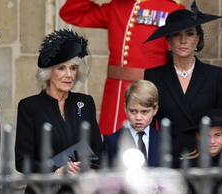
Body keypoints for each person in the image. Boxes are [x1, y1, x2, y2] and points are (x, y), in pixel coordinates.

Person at [59, 0, 184, 136]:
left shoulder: (170, 9)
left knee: (148, 147)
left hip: (149, 93)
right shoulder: (117, 6)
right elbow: (70, 13)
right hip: (116, 98)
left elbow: (179, 59)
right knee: (111, 148)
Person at [144, 1, 222, 168]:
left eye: (189, 34)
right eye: (176, 34)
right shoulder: (153, 75)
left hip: (206, 162)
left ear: (198, 39)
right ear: (168, 40)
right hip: (168, 160)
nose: (183, 40)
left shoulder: (215, 75)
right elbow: (148, 126)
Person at [15, 29, 103, 175]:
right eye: (61, 68)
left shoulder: (85, 102)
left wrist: (88, 167)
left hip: (79, 192)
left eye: (73, 68)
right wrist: (57, 171)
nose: (69, 75)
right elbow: (22, 162)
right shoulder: (29, 106)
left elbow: (99, 152)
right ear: (49, 72)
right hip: (44, 193)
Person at [181, 109, 222, 194]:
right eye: (206, 136)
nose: (212, 141)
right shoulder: (187, 164)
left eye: (217, 135)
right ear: (199, 136)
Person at [103, 80, 160, 167]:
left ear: (155, 110)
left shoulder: (163, 140)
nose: (138, 117)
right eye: (133, 111)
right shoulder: (112, 142)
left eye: (144, 112)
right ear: (125, 108)